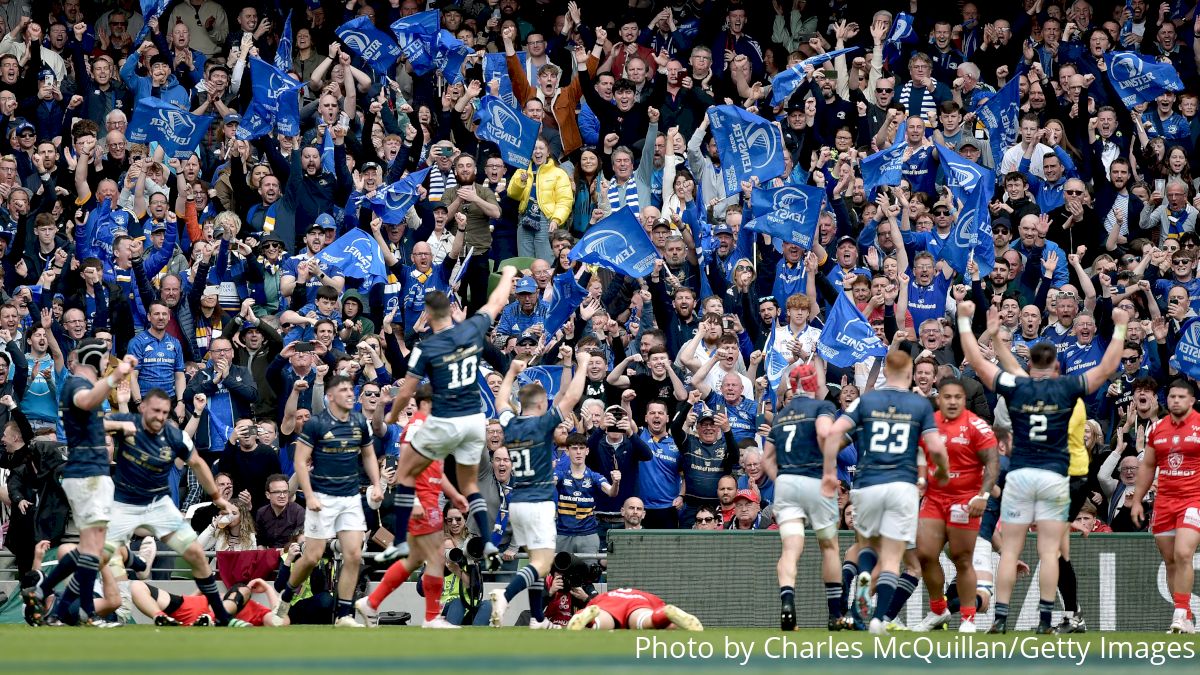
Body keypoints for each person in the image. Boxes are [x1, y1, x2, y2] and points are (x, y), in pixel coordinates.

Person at [958, 300, 1128, 634]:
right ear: (1056, 365)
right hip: (1053, 476)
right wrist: (1119, 325)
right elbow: (1108, 366)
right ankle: (1047, 619)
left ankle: (1001, 618)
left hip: (1020, 475)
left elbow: (978, 363)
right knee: (1050, 552)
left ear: (1029, 363)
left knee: (1009, 551)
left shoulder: (1017, 386)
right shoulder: (1066, 388)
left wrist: (967, 322)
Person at [375, 267, 518, 564]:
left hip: (446, 420)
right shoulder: (472, 329)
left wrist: (390, 419)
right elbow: (497, 301)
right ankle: (489, 543)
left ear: (427, 314)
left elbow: (406, 392)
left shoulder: (426, 347)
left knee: (406, 472)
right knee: (470, 485)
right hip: (474, 421)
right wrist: (509, 275)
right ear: (451, 312)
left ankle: (401, 541)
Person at [822, 351, 950, 635]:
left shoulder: (866, 401)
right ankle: (879, 619)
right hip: (902, 485)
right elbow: (937, 448)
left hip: (867, 483)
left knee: (867, 546)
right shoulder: (919, 404)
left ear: (886, 372)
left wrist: (830, 472)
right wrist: (940, 471)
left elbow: (833, 435)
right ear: (909, 374)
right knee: (894, 558)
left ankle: (865, 574)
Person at [102, 388, 249, 627]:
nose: (160, 416)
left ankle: (221, 616)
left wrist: (217, 497)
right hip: (126, 506)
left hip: (159, 506)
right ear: (143, 409)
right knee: (104, 557)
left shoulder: (173, 437)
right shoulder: (126, 426)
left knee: (196, 555)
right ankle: (112, 606)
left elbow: (198, 464)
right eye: (155, 410)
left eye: (164, 412)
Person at [21, 340, 136, 627]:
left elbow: (94, 422)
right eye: (104, 361)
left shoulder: (84, 390)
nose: (105, 367)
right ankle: (76, 607)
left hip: (90, 473)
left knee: (91, 549)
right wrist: (116, 376)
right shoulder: (77, 386)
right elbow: (86, 402)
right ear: (94, 360)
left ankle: (51, 595)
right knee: (94, 548)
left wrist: (121, 419)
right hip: (87, 474)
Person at [488, 352, 591, 628]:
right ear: (543, 402)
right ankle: (505, 595)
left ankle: (536, 618)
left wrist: (510, 371)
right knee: (543, 564)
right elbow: (571, 399)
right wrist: (581, 365)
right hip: (539, 501)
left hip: (517, 501)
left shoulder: (510, 424)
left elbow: (500, 402)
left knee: (534, 560)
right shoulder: (543, 423)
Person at [273, 375, 382, 628]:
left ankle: (344, 614)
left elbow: (368, 455)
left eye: (351, 390)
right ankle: (287, 594)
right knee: (311, 557)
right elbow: (300, 461)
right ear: (330, 396)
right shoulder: (316, 424)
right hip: (322, 497)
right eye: (343, 390)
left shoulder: (359, 422)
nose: (350, 394)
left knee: (354, 554)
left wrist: (376, 484)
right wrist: (309, 494)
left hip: (351, 497)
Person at [356, 384, 465, 629]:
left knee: (415, 560)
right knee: (435, 559)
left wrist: (453, 494)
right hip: (420, 501)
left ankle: (372, 603)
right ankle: (431, 617)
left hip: (431, 499)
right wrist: (415, 500)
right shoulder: (415, 428)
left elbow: (437, 470)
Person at [762, 361, 844, 631]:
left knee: (790, 549)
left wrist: (782, 479)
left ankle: (787, 600)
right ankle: (835, 615)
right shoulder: (823, 407)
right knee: (829, 546)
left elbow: (766, 460)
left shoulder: (782, 415)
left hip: (786, 483)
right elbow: (823, 433)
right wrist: (830, 469)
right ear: (814, 384)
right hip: (815, 480)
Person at [912, 378, 999, 633]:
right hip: (934, 499)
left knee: (962, 559)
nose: (952, 402)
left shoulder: (977, 426)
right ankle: (939, 610)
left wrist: (982, 496)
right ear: (939, 399)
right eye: (947, 397)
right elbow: (920, 453)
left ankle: (968, 618)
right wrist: (920, 478)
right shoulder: (928, 423)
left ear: (964, 399)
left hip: (965, 501)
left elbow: (992, 463)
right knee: (925, 554)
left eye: (957, 397)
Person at [1133, 379, 1200, 634]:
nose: (1175, 401)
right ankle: (1187, 618)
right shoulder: (1157, 429)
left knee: (1184, 554)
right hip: (1164, 502)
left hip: (1194, 499)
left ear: (1191, 400)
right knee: (1171, 560)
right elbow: (1148, 466)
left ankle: (1179, 613)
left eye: (1181, 397)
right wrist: (1137, 499)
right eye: (1172, 396)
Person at [567, 587, 703, 631]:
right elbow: (671, 626)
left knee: (599, 620)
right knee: (646, 620)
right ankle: (664, 613)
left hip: (609, 602)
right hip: (639, 603)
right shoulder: (650, 596)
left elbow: (593, 604)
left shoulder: (605, 595)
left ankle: (584, 617)